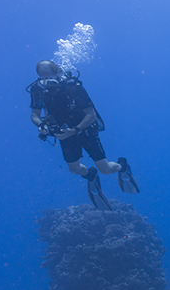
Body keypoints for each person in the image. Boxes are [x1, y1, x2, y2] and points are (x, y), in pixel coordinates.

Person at [28, 60, 138, 209]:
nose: (47, 83)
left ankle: (123, 166)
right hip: (64, 133)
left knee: (105, 170)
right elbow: (34, 114)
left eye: (50, 77)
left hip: (85, 130)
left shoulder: (73, 87)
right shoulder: (37, 90)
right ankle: (90, 176)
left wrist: (75, 130)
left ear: (58, 74)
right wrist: (41, 125)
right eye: (43, 78)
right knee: (74, 169)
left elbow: (91, 115)